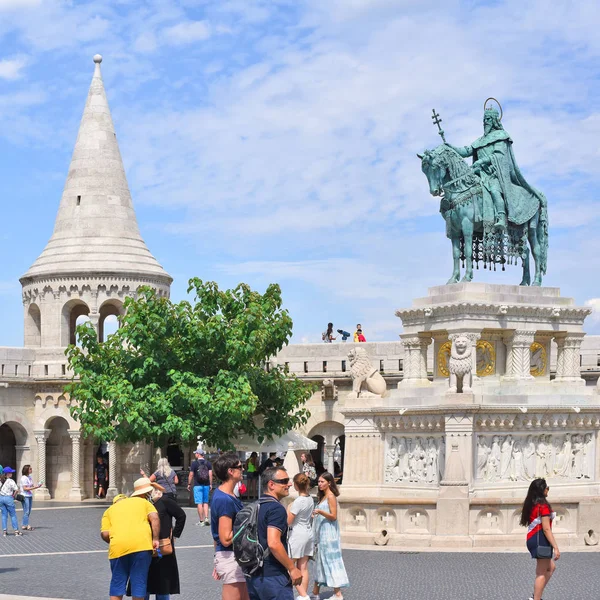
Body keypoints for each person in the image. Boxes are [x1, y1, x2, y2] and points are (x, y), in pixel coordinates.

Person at [100, 477, 160, 600]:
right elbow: (154, 518)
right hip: (141, 546)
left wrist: (116, 540)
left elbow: (105, 534)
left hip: (118, 548)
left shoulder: (109, 510)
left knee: (117, 583)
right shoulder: (144, 503)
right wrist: (155, 539)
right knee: (139, 582)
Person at [247, 467, 302, 600]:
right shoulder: (276, 509)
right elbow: (273, 543)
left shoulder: (255, 506)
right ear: (271, 484)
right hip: (274, 576)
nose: (289, 484)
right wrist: (292, 568)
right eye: (284, 481)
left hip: (254, 575)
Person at [134, 486, 186, 600]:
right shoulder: (141, 504)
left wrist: (175, 535)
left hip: (163, 547)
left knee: (163, 584)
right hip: (144, 547)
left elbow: (181, 515)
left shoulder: (164, 501)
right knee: (144, 582)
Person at [210, 453, 249, 600]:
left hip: (230, 556)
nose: (243, 469)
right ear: (230, 471)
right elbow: (225, 538)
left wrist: (218, 558)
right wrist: (247, 523)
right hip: (231, 556)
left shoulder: (227, 495)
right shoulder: (225, 499)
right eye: (240, 467)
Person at [520, 478, 560, 600]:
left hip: (533, 539)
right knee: (541, 573)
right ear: (542, 490)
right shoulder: (543, 506)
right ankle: (536, 599)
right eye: (547, 487)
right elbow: (546, 529)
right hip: (541, 540)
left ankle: (535, 596)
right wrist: (556, 547)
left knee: (551, 567)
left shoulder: (532, 504)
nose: (548, 489)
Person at [311, 472, 349, 600]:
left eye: (322, 482)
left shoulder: (331, 496)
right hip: (322, 533)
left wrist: (320, 511)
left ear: (329, 482)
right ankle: (315, 591)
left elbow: (333, 516)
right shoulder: (323, 496)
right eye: (319, 482)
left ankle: (338, 594)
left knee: (330, 560)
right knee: (321, 561)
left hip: (329, 534)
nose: (319, 484)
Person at [287, 473, 314, 600]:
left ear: (296, 486)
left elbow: (289, 521)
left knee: (290, 567)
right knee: (303, 567)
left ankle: (303, 595)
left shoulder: (298, 502)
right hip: (308, 532)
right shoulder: (310, 499)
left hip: (298, 534)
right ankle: (304, 595)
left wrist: (288, 508)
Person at [188, 448, 212, 526]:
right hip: (206, 485)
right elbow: (210, 474)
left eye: (196, 453)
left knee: (199, 503)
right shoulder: (208, 463)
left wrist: (189, 484)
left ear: (198, 454)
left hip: (197, 485)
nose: (195, 454)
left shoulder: (194, 463)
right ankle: (206, 518)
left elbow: (191, 474)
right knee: (205, 502)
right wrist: (210, 484)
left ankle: (201, 521)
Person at [0, 467, 22, 536]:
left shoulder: (0, 480)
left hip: (1, 498)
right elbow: (16, 490)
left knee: (4, 515)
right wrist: (13, 496)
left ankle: (4, 531)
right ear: (8, 474)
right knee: (13, 515)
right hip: (8, 498)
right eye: (11, 472)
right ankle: (16, 531)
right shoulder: (11, 481)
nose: (12, 473)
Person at [19, 464, 41, 531]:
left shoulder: (29, 477)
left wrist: (38, 485)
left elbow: (31, 485)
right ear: (27, 470)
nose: (31, 470)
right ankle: (26, 525)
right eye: (30, 469)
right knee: (26, 511)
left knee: (28, 511)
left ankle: (24, 524)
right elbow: (25, 488)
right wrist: (35, 487)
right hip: (25, 496)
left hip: (29, 495)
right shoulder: (23, 478)